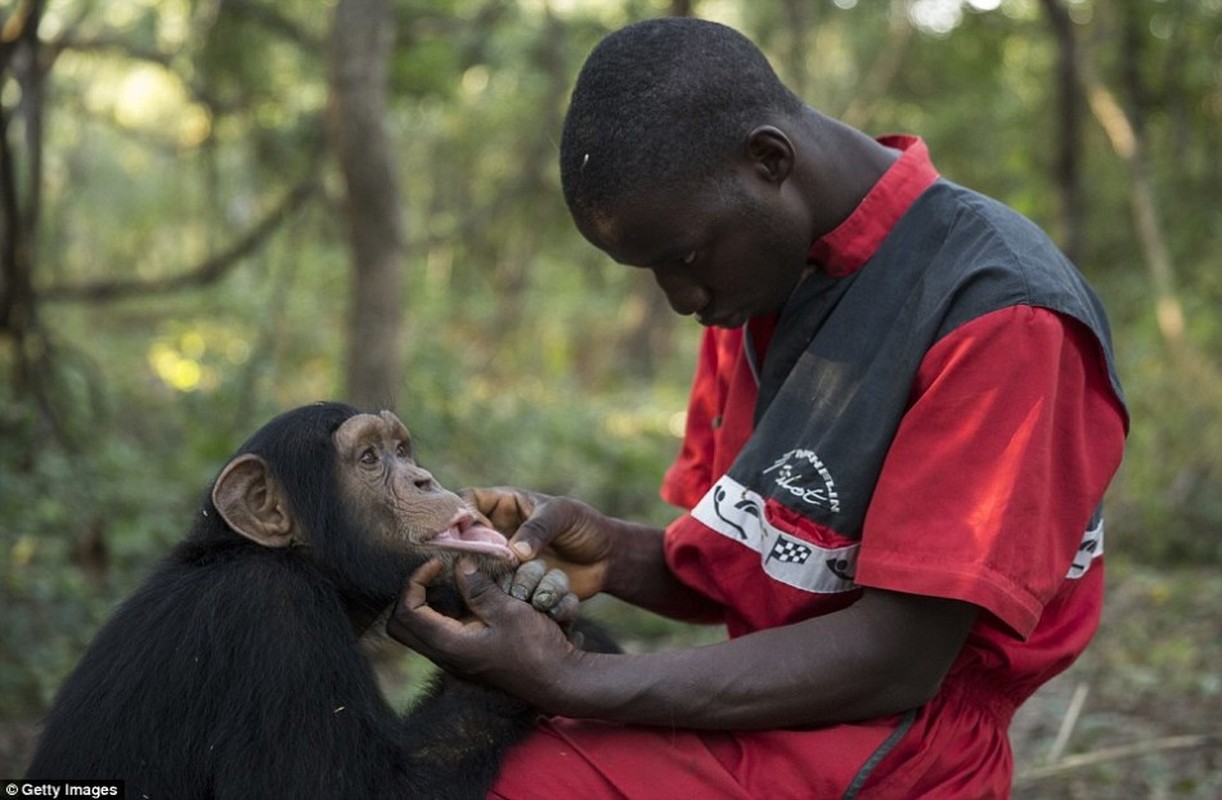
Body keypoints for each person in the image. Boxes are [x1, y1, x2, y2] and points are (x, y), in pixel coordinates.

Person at [388, 17, 1128, 799]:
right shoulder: (759, 282)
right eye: (653, 271)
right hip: (781, 712)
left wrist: (571, 679)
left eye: (683, 258)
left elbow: (901, 657)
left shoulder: (1001, 315)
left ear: (769, 161)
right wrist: (616, 555)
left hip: (899, 751)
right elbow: (765, 572)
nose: (680, 299)